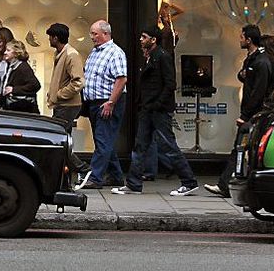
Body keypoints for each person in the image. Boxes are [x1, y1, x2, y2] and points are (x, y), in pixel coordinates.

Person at [111, 27, 200, 196]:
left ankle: (189, 182)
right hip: (148, 109)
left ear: (153, 40)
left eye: (144, 37)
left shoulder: (162, 57)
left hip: (158, 110)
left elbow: (170, 84)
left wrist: (158, 103)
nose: (140, 39)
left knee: (168, 145)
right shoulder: (150, 57)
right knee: (140, 146)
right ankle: (133, 184)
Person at [205, 24, 274, 197]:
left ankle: (227, 185)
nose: (240, 40)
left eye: (242, 37)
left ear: (249, 40)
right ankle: (230, 184)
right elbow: (244, 77)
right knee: (242, 149)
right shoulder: (252, 59)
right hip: (250, 112)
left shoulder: (261, 62)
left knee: (241, 148)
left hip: (254, 115)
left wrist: (245, 116)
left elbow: (258, 91)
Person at [77, 20, 128, 190]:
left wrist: (111, 102)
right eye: (91, 33)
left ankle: (95, 177)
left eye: (94, 33)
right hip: (94, 102)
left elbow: (121, 79)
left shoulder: (115, 52)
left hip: (107, 102)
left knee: (103, 140)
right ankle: (115, 176)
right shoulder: (95, 51)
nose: (92, 37)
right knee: (103, 141)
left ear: (105, 33)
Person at [45, 23, 87, 174]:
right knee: (62, 140)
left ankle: (82, 169)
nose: (49, 39)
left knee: (60, 141)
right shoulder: (61, 53)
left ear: (55, 38)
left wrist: (59, 94)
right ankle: (66, 172)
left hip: (67, 105)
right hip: (62, 104)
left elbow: (79, 81)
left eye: (50, 36)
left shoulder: (71, 55)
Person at [0, 40, 40, 113]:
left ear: (16, 53)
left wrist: (14, 90)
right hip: (16, 111)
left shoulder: (23, 67)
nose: (5, 52)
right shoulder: (11, 67)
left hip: (25, 113)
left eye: (8, 50)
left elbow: (35, 85)